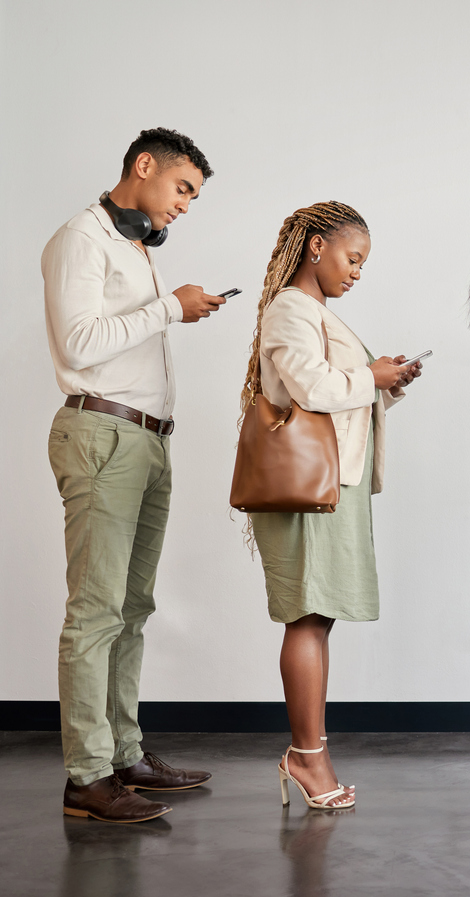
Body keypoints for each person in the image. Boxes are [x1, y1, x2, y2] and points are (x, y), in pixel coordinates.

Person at [43, 128, 224, 824]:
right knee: (95, 612)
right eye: (183, 188)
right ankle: (86, 777)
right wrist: (170, 307)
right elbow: (79, 343)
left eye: (194, 197)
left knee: (133, 607)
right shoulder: (80, 239)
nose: (185, 205)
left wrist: (176, 305)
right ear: (143, 167)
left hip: (146, 441)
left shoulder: (134, 247)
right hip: (102, 434)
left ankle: (124, 754)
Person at [240, 201, 421, 810]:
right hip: (310, 493)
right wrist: (373, 375)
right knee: (309, 615)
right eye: (352, 258)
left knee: (318, 617)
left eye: (363, 264)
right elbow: (310, 388)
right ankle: (307, 757)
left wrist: (385, 382)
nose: (357, 273)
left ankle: (308, 752)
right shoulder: (290, 309)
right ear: (316, 246)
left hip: (331, 487)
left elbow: (338, 395)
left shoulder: (313, 312)